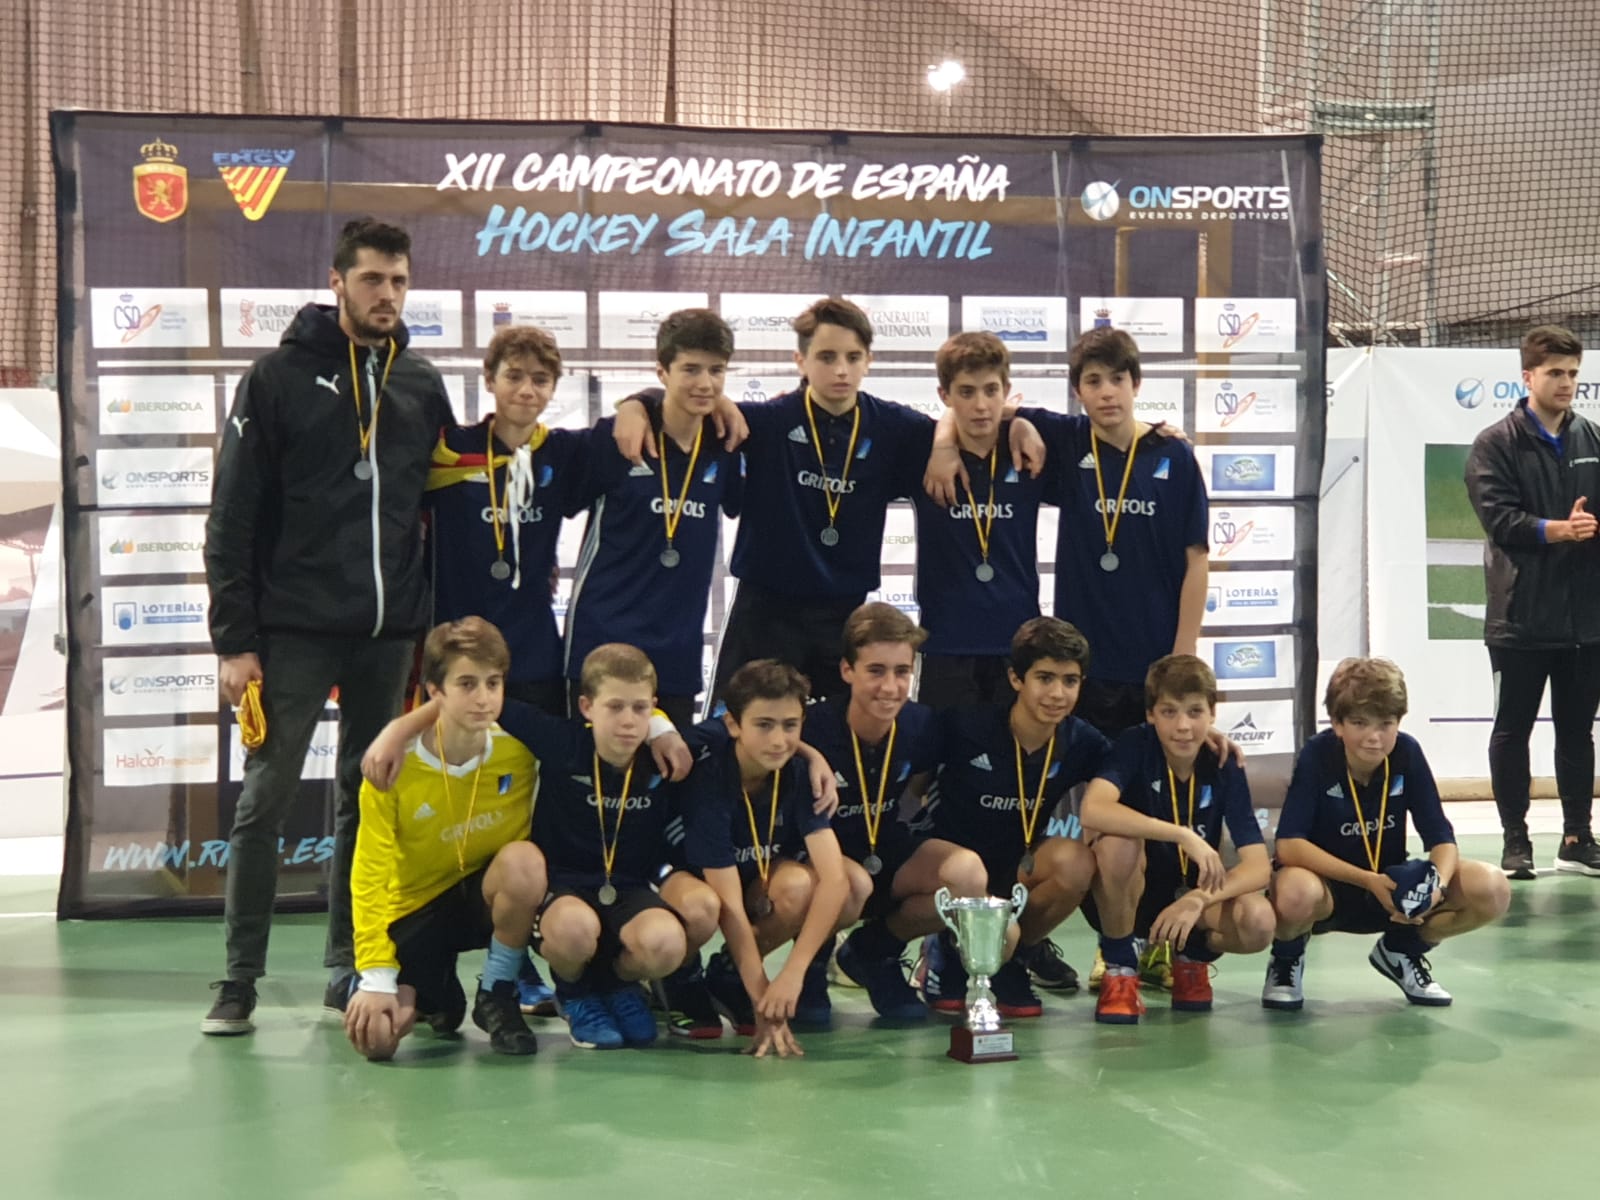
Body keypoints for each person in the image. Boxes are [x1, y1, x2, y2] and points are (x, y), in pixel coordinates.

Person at [202, 217, 456, 1036]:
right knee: (265, 800)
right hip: (293, 632)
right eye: (373, 279)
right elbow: (232, 514)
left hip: (390, 634)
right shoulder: (275, 376)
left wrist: (435, 635)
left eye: (399, 281)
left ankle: (348, 964)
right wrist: (235, 642)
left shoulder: (419, 383)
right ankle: (238, 979)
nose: (387, 294)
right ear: (337, 280)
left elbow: (442, 507)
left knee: (368, 801)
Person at [614, 297, 1041, 706]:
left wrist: (998, 429)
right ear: (800, 361)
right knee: (735, 741)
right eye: (826, 357)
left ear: (869, 361)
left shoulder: (896, 429)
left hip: (844, 618)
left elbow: (968, 413)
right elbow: (684, 403)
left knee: (833, 745)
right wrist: (636, 403)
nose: (841, 370)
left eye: (853, 358)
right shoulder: (765, 423)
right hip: (765, 611)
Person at [343, 618, 547, 1060]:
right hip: (414, 911)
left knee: (524, 862)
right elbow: (369, 874)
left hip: (479, 899)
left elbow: (601, 723)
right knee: (378, 1040)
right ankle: (434, 990)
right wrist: (376, 972)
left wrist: (661, 722)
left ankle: (497, 992)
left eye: (493, 683)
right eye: (467, 684)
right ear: (435, 692)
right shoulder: (392, 768)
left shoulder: (522, 750)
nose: (484, 698)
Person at [1262, 658, 1511, 1011]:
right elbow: (1289, 845)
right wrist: (1366, 880)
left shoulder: (1407, 753)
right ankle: (1286, 958)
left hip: (1393, 891)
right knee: (1294, 891)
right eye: (1360, 723)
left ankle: (1401, 949)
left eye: (1386, 723)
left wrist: (1434, 887)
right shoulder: (1318, 755)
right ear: (1337, 723)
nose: (1374, 737)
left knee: (1492, 888)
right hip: (1330, 889)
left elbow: (1441, 838)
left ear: (1398, 723)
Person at [910, 617, 1112, 1018]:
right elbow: (912, 781)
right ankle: (943, 948)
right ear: (1016, 679)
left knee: (1075, 863)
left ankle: (1009, 963)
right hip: (951, 873)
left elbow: (1139, 763)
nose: (1057, 694)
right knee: (965, 875)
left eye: (1070, 681)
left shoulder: (1081, 740)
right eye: (1045, 678)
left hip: (1013, 874)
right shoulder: (965, 726)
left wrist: (1202, 737)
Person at [1015, 327, 1209, 739]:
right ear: (1077, 391)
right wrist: (1019, 428)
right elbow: (993, 410)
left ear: (1136, 384)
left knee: (1147, 788)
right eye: (1093, 381)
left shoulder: (1174, 455)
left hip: (1153, 661)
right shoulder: (1068, 442)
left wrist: (1184, 652)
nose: (1107, 393)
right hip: (1083, 666)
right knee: (1085, 787)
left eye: (1118, 379)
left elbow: (1197, 559)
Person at [1464, 324, 1600, 879]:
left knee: (1577, 731)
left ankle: (1577, 837)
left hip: (1586, 623)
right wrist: (1556, 531)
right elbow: (1498, 519)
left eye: (1573, 374)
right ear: (1528, 377)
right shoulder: (1494, 443)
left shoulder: (1592, 438)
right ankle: (1515, 840)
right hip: (1519, 620)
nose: (1566, 383)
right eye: (1555, 374)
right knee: (1512, 731)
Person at [564, 310, 743, 728]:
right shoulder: (618, 439)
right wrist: (635, 403)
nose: (705, 383)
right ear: (661, 371)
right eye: (690, 369)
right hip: (601, 645)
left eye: (717, 370)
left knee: (666, 784)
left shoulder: (725, 447)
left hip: (675, 657)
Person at [1079, 655, 1274, 1024]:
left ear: (1213, 714)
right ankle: (1120, 968)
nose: (1183, 726)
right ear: (1151, 714)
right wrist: (1180, 834)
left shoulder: (1222, 762)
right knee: (1118, 844)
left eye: (1195, 712)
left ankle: (1191, 959)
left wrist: (1199, 899)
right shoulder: (1135, 744)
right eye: (1169, 712)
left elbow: (1259, 867)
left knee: (1259, 920)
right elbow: (1093, 810)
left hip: (1190, 895)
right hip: (1130, 896)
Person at [679, 660, 850, 1057]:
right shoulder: (711, 777)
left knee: (806, 885)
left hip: (754, 877)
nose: (778, 740)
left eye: (790, 726)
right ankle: (677, 977)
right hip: (694, 885)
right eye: (764, 725)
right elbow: (729, 908)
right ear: (734, 724)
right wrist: (764, 1004)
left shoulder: (801, 770)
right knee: (702, 908)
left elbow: (836, 880)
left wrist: (793, 973)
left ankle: (727, 977)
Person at [425, 324, 592, 715]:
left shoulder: (562, 452)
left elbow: (638, 426)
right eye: (513, 376)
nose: (526, 391)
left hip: (533, 652)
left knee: (533, 768)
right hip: (456, 649)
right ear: (489, 380)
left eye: (540, 379)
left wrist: (639, 404)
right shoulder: (449, 450)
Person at [799, 603, 943, 1021]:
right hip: (821, 856)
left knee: (966, 876)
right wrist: (808, 753)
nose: (891, 686)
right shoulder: (814, 725)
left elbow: (921, 786)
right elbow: (740, 730)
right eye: (876, 670)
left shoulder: (920, 724)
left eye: (902, 671)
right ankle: (811, 967)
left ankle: (873, 955)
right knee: (851, 883)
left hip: (883, 846)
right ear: (847, 670)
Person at [912, 332, 1052, 710]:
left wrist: (1166, 435)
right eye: (966, 392)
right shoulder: (920, 449)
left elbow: (1107, 436)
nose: (981, 405)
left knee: (1013, 765)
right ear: (944, 395)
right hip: (946, 643)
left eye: (991, 391)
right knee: (940, 765)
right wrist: (942, 442)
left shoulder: (1029, 448)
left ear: (1007, 390)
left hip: (1017, 644)